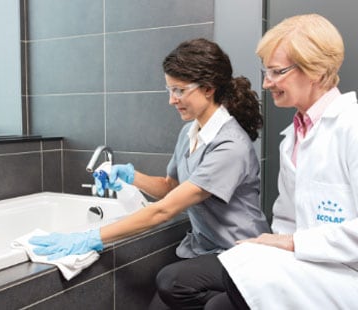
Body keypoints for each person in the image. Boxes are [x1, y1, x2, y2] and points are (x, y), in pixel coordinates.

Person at [29, 38, 271, 309]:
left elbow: (164, 210)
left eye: (179, 90)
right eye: (169, 89)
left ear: (208, 88)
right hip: (205, 250)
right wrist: (130, 176)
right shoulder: (190, 132)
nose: (171, 100)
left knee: (173, 282)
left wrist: (91, 237)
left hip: (239, 251)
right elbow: (172, 186)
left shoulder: (230, 145)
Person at [212, 14, 358, 310]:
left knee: (238, 281)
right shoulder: (293, 138)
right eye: (265, 71)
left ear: (316, 71)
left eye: (277, 72)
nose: (267, 83)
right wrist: (277, 247)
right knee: (227, 290)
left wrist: (294, 245)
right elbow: (286, 220)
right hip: (318, 265)